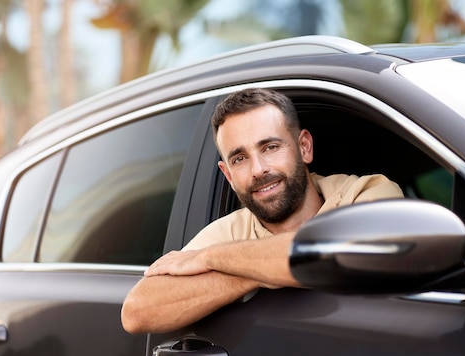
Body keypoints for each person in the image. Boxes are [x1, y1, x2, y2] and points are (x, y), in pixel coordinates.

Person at [121, 88, 403, 334]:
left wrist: (211, 259)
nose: (258, 170)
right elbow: (137, 311)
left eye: (270, 147)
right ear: (229, 175)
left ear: (304, 147)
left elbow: (335, 254)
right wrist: (262, 270)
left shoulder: (367, 192)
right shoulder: (231, 229)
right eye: (240, 158)